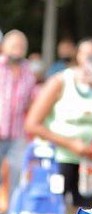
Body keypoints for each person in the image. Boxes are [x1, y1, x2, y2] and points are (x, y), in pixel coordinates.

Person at [25, 42, 92, 214]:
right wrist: (70, 143)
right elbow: (32, 124)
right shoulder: (60, 81)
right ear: (77, 56)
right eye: (85, 55)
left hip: (86, 163)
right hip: (57, 158)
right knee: (51, 213)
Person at [0, 30, 36, 199]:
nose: (18, 49)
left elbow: (30, 102)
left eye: (22, 46)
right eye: (14, 45)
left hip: (18, 134)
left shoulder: (28, 72)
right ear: (4, 46)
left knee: (17, 178)